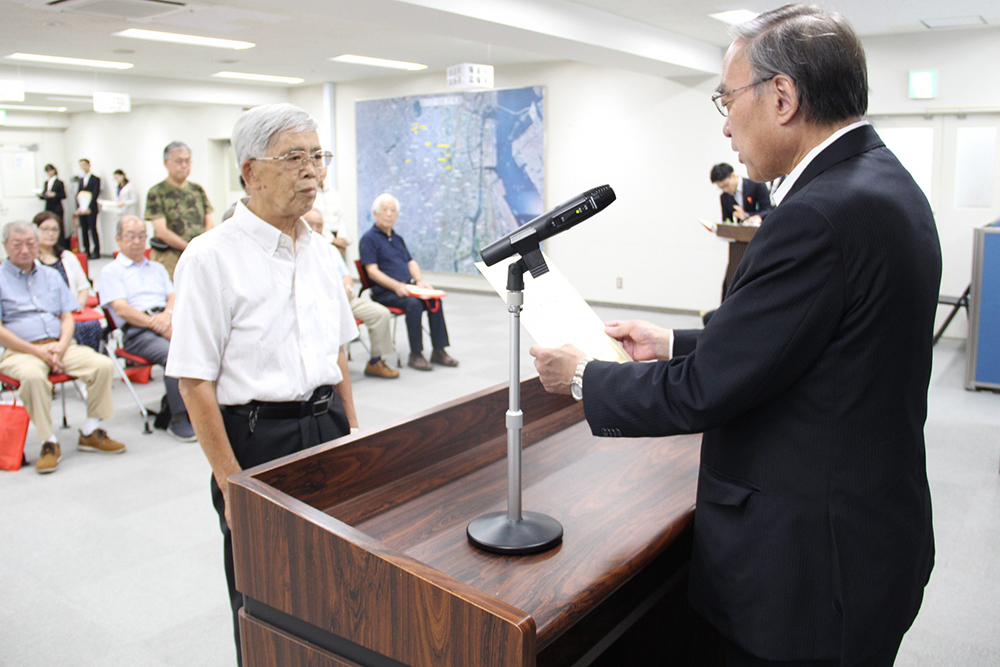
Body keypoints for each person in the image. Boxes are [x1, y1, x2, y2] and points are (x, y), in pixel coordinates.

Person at [531, 5, 939, 666]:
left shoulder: (821, 212)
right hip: (864, 539)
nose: (724, 124)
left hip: (808, 571)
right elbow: (802, 341)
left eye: (727, 98)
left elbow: (704, 392)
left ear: (782, 97)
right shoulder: (881, 183)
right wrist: (670, 340)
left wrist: (583, 374)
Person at [166, 103, 359, 663]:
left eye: (318, 157)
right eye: (294, 158)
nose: (312, 172)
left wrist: (353, 432)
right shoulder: (210, 258)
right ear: (250, 171)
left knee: (337, 578)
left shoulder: (322, 253)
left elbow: (338, 354)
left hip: (328, 426)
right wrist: (231, 485)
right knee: (267, 600)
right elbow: (194, 383)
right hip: (257, 440)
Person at [0, 221, 125, 474]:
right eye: (17, 244)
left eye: (30, 243)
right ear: (5, 246)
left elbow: (67, 316)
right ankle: (48, 441)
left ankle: (90, 430)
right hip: (22, 351)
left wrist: (60, 346)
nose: (25, 250)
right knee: (34, 377)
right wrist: (38, 352)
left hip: (60, 345)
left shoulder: (51, 275)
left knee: (101, 365)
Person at [98, 215, 194, 442]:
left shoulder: (157, 268)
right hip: (137, 331)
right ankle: (177, 418)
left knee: (205, 347)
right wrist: (157, 324)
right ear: (118, 239)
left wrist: (167, 316)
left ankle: (205, 408)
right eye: (131, 236)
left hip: (166, 321)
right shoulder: (111, 271)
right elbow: (121, 309)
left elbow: (173, 296)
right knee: (175, 356)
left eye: (142, 236)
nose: (138, 241)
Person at [359, 193, 458, 371]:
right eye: (384, 210)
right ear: (375, 214)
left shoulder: (397, 239)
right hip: (386, 292)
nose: (389, 214)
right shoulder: (368, 239)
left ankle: (438, 350)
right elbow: (372, 272)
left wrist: (419, 281)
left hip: (407, 287)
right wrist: (397, 286)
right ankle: (416, 354)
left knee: (434, 300)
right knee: (414, 304)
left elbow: (410, 262)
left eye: (393, 211)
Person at [304, 208, 399, 379]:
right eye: (310, 224)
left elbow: (346, 275)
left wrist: (347, 289)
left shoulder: (329, 249)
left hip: (346, 298)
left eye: (319, 225)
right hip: (322, 304)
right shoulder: (299, 250)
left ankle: (376, 361)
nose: (315, 228)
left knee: (381, 313)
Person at [32, 211, 102, 350]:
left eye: (54, 229)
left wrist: (79, 304)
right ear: (35, 231)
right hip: (44, 313)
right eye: (45, 229)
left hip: (71, 311)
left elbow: (84, 287)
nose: (50, 234)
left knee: (92, 325)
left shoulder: (67, 257)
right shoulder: (30, 261)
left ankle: (86, 364)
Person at [145, 141, 214, 279]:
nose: (184, 166)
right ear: (166, 163)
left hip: (199, 255)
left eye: (187, 161)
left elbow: (209, 222)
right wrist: (189, 248)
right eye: (179, 161)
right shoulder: (157, 192)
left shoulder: (197, 190)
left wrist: (201, 247)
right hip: (171, 256)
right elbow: (161, 231)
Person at [711, 162, 773, 301]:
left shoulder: (756, 184)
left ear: (733, 175)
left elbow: (768, 210)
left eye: (726, 185)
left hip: (758, 240)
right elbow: (727, 220)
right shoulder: (725, 197)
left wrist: (747, 216)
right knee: (730, 279)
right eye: (721, 188)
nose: (725, 190)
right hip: (738, 245)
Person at [73, 158, 102, 259]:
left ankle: (96, 251)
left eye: (84, 165)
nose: (83, 167)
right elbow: (78, 195)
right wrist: (79, 207)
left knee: (92, 229)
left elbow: (95, 194)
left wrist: (89, 207)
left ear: (89, 165)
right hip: (82, 209)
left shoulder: (95, 179)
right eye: (81, 165)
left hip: (91, 209)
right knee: (83, 230)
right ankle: (87, 250)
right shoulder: (80, 180)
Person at [38, 164, 66, 245]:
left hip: (57, 207)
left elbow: (63, 195)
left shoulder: (59, 182)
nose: (49, 173)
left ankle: (61, 244)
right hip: (49, 207)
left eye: (50, 170)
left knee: (58, 226)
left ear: (54, 170)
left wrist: (54, 195)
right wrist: (42, 195)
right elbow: (44, 195)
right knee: (48, 225)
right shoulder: (46, 182)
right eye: (47, 171)